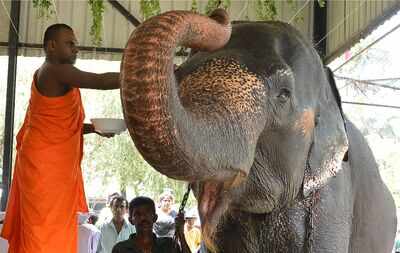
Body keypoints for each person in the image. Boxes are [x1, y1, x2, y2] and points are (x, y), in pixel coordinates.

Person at [0, 23, 120, 253]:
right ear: (52, 46)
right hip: (45, 167)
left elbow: (59, 125)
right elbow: (101, 82)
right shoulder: (56, 70)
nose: (76, 48)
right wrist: (143, 75)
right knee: (44, 229)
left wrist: (93, 129)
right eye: (70, 43)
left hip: (52, 166)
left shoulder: (50, 74)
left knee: (53, 228)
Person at [112, 196, 191, 253]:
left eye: (147, 213)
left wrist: (181, 233)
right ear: (130, 220)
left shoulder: (169, 245)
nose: (143, 217)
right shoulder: (120, 249)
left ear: (155, 217)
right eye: (138, 214)